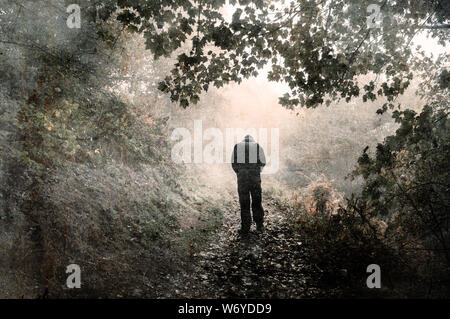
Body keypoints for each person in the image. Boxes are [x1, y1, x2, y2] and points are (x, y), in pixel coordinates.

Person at [231, 135, 266, 236]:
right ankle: (259, 226)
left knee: (244, 203)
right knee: (257, 201)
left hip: (242, 179)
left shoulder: (237, 146)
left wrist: (239, 172)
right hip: (255, 178)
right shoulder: (257, 146)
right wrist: (257, 170)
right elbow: (263, 162)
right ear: (252, 140)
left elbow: (233, 163)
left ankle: (245, 227)